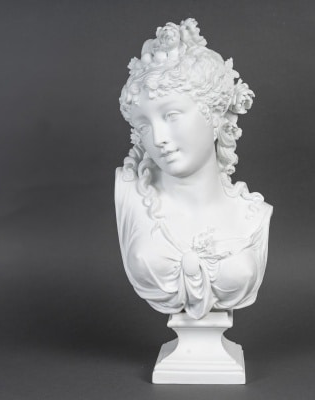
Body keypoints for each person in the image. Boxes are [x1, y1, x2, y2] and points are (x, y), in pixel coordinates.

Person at [115, 18, 272, 319]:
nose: (158, 139)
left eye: (172, 115)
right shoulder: (131, 196)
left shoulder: (252, 215)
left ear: (214, 115)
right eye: (144, 125)